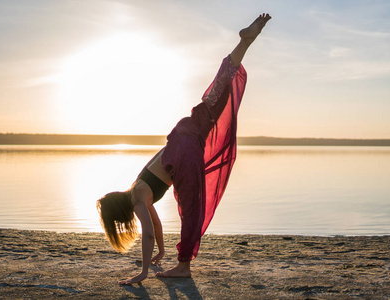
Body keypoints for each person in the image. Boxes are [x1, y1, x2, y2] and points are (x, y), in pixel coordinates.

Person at [97, 13, 271, 285]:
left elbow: (148, 233)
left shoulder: (137, 200)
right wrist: (162, 252)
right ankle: (244, 44)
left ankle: (183, 267)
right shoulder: (138, 190)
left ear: (118, 215)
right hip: (182, 134)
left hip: (183, 152)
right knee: (215, 97)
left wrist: (143, 272)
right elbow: (155, 226)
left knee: (191, 209)